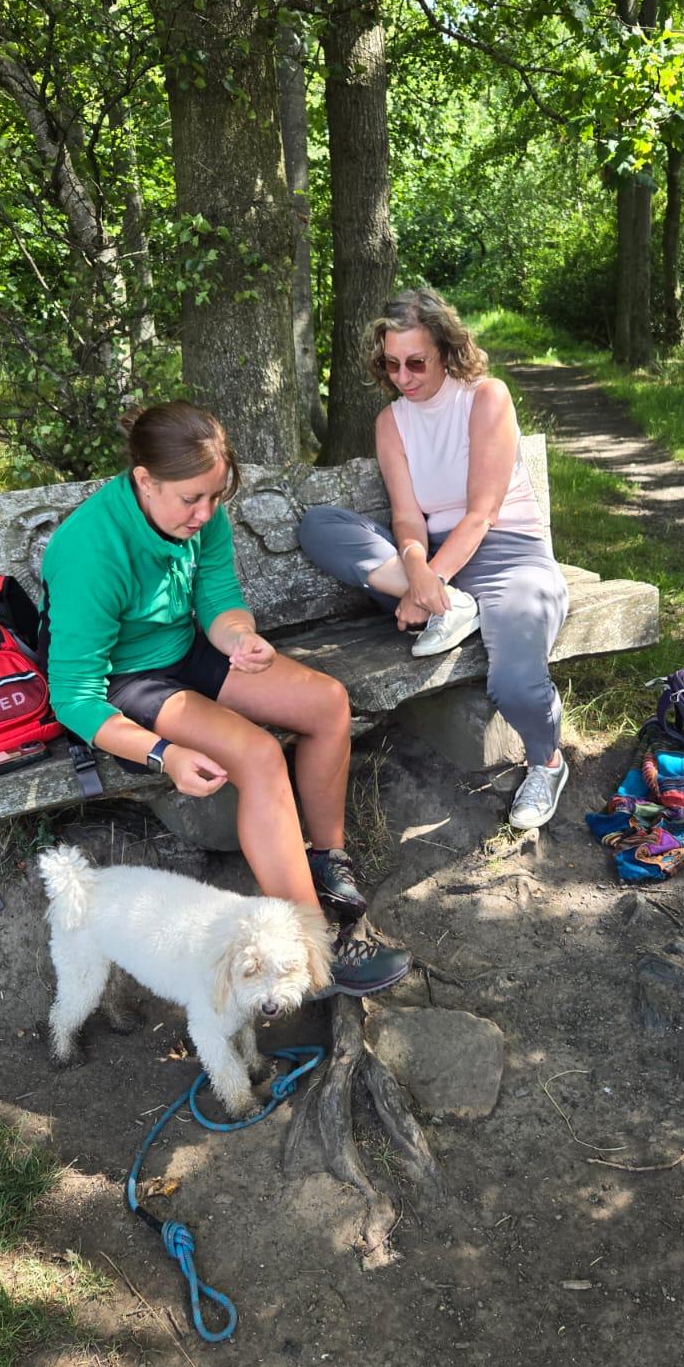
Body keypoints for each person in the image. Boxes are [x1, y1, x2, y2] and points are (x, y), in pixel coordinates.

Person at [41, 399, 411, 997]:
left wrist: (240, 638)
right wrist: (162, 754)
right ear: (143, 480)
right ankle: (315, 947)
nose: (206, 513)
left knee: (327, 703)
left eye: (215, 497)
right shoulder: (91, 550)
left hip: (190, 649)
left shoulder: (198, 509)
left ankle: (326, 864)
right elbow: (76, 698)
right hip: (127, 679)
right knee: (260, 755)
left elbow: (218, 596)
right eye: (192, 499)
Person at [298, 288, 571, 830]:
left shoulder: (486, 397)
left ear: (445, 350)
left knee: (515, 684)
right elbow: (406, 518)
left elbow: (482, 513)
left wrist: (428, 582)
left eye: (416, 362)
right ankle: (455, 607)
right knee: (319, 525)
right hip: (429, 570)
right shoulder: (391, 423)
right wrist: (419, 574)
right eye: (391, 364)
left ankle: (548, 761)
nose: (403, 376)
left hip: (508, 560)